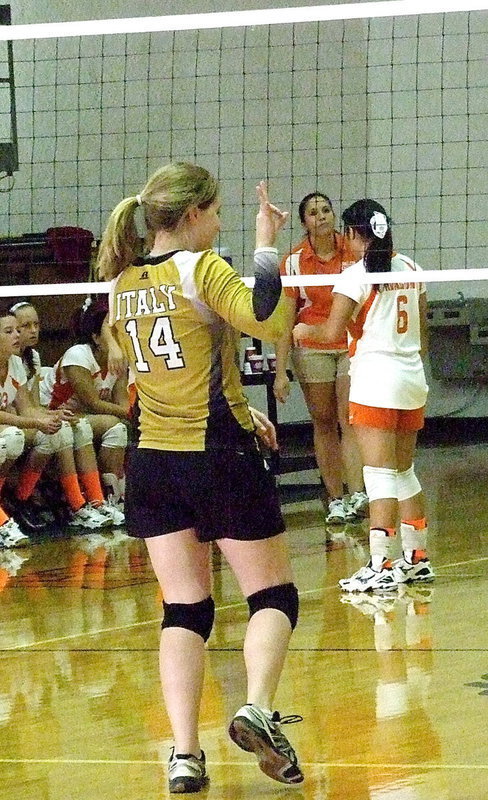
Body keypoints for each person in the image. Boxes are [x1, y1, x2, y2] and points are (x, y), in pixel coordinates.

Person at [98, 162, 304, 793]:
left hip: (153, 462)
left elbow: (151, 373)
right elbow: (269, 322)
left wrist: (243, 413)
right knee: (273, 597)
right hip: (217, 455)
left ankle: (184, 754)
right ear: (191, 216)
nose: (218, 224)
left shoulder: (121, 285)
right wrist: (266, 246)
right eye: (216, 213)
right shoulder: (202, 265)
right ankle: (257, 710)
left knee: (184, 608)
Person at [293, 199, 434, 592]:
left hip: (375, 380)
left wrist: (302, 332)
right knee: (403, 472)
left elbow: (330, 334)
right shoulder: (410, 268)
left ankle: (380, 563)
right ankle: (417, 557)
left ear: (354, 235)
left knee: (378, 476)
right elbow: (420, 332)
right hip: (411, 378)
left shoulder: (356, 276)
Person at [274, 192, 368, 524]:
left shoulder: (354, 252)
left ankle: (357, 493)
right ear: (305, 222)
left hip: (347, 341)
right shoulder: (293, 261)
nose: (322, 216)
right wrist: (280, 371)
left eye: (327, 210)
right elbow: (285, 320)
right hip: (312, 345)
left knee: (349, 418)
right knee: (324, 421)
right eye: (314, 213)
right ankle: (335, 498)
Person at [11, 300, 112, 531]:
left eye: (36, 324)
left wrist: (52, 415)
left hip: (25, 419)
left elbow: (31, 405)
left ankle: (92, 502)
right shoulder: (11, 361)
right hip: (14, 424)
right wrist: (45, 417)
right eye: (24, 326)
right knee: (26, 438)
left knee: (68, 426)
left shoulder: (31, 358)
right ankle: (24, 500)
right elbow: (21, 411)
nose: (32, 330)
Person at [40, 301, 128, 526]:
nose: (119, 340)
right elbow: (94, 403)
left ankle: (113, 497)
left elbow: (121, 404)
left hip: (78, 416)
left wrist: (132, 413)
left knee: (118, 428)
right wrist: (134, 413)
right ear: (96, 337)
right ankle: (87, 502)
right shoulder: (78, 355)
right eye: (112, 334)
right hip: (50, 411)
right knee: (106, 425)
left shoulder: (118, 360)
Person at [0, 305, 72, 547]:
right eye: (9, 331)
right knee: (11, 438)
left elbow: (26, 407)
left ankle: (20, 500)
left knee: (52, 434)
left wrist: (49, 417)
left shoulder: (16, 364)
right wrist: (35, 421)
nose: (17, 335)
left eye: (15, 330)